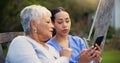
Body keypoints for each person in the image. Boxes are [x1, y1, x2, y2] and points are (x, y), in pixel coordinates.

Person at [5, 5, 72, 63]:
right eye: (48, 22)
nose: (53, 26)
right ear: (33, 24)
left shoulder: (51, 48)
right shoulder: (20, 42)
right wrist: (64, 58)